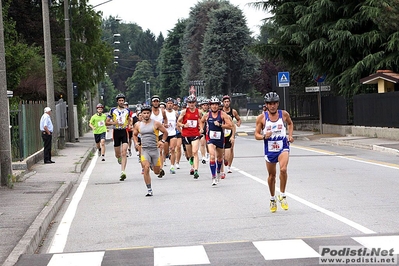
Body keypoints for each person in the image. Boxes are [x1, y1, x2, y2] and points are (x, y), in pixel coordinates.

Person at [254, 92, 294, 213]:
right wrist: (263, 136)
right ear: (266, 105)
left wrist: (290, 136)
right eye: (270, 104)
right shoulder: (262, 118)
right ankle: (272, 198)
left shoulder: (284, 114)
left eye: (275, 103)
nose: (272, 106)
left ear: (278, 104)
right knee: (272, 176)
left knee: (283, 169)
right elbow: (256, 135)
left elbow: (290, 124)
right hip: (270, 149)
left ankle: (282, 194)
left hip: (283, 146)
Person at [133, 105, 168, 196]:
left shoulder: (156, 123)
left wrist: (162, 141)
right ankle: (149, 189)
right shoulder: (138, 125)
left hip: (154, 149)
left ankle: (158, 170)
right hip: (145, 150)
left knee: (156, 172)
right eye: (144, 113)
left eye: (148, 113)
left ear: (150, 113)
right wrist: (136, 143)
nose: (146, 115)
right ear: (141, 114)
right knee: (146, 168)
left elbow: (165, 132)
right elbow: (134, 135)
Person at [200, 97, 233, 186]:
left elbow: (230, 125)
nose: (214, 106)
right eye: (212, 105)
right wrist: (201, 129)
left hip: (220, 139)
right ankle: (213, 177)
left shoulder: (222, 115)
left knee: (219, 158)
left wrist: (221, 125)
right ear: (210, 106)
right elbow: (201, 121)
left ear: (218, 106)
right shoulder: (207, 115)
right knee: (212, 156)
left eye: (216, 105)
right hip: (210, 138)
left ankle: (218, 171)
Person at [106, 93, 132, 181]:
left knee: (124, 152)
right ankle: (119, 158)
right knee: (118, 154)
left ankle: (123, 172)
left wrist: (130, 124)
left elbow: (129, 119)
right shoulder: (113, 110)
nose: (121, 102)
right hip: (116, 132)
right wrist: (114, 123)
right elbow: (106, 122)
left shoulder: (127, 111)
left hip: (124, 131)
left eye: (122, 100)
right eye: (120, 100)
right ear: (117, 101)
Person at [177, 94, 201, 179]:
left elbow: (201, 120)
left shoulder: (198, 111)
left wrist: (201, 128)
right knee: (190, 154)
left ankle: (196, 170)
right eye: (190, 102)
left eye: (193, 102)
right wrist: (183, 125)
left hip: (195, 134)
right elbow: (178, 123)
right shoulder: (184, 112)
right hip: (186, 135)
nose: (191, 104)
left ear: (195, 103)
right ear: (187, 103)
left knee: (195, 152)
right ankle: (192, 164)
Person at [222, 95, 242, 174]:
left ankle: (229, 166)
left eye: (228, 102)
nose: (226, 103)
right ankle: (225, 160)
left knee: (231, 149)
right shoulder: (221, 111)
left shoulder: (233, 111)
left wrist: (238, 123)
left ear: (230, 102)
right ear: (223, 103)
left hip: (230, 132)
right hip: (222, 132)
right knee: (223, 151)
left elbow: (238, 119)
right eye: (225, 102)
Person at [150, 95, 168, 178]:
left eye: (157, 101)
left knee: (160, 151)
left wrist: (165, 124)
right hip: (151, 134)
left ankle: (160, 168)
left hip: (160, 133)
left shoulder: (162, 111)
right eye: (154, 101)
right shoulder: (149, 111)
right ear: (152, 102)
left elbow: (165, 118)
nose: (156, 103)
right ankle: (152, 164)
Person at [164, 97, 179, 174]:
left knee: (173, 149)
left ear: (173, 105)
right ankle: (166, 156)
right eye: (168, 103)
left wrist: (178, 126)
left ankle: (172, 166)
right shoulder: (163, 112)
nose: (169, 105)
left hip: (173, 133)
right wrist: (163, 125)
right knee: (166, 151)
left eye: (171, 103)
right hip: (165, 134)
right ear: (166, 104)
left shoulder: (176, 113)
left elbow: (179, 121)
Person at [199, 99, 210, 164]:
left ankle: (208, 154)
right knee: (202, 143)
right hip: (202, 129)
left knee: (208, 144)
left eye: (206, 105)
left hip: (209, 129)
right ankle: (203, 156)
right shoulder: (199, 112)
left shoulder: (210, 112)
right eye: (204, 105)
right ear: (201, 106)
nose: (205, 106)